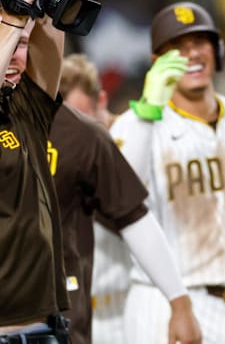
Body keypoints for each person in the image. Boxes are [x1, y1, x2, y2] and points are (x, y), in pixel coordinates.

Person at [110, 1, 225, 344]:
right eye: (178, 47)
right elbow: (121, 199)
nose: (192, 54)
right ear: (156, 62)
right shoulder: (135, 125)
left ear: (216, 51)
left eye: (200, 43)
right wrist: (148, 111)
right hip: (170, 300)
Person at [44, 53, 200, 344]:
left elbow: (126, 204)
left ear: (101, 101)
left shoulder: (125, 135)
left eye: (82, 112)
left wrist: (146, 114)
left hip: (131, 303)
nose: (77, 124)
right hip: (80, 311)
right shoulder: (53, 149)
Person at [0, 0, 72, 341]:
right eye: (10, 43)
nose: (15, 55)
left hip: (46, 327)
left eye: (22, 46)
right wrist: (10, 24)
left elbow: (50, 38)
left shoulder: (25, 104)